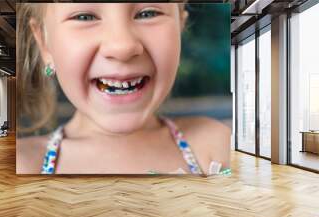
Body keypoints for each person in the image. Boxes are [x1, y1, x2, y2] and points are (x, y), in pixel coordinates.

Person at [16, 2, 231, 175]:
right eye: (84, 17)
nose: (122, 46)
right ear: (44, 42)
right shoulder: (22, 164)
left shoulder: (215, 145)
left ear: (179, 30)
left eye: (148, 13)